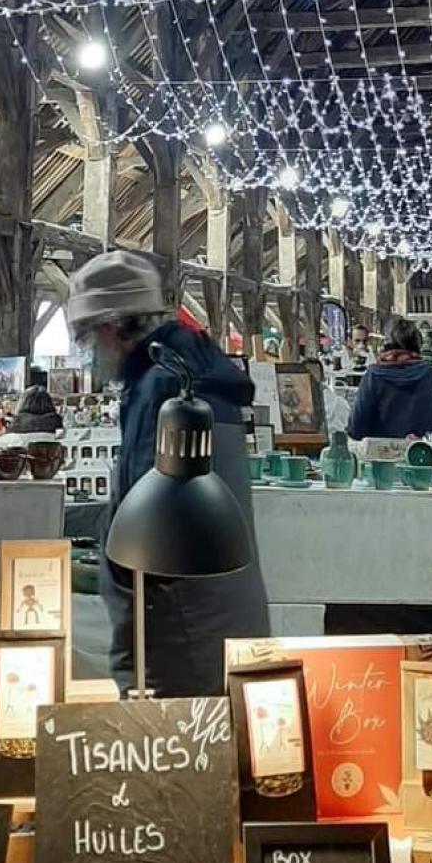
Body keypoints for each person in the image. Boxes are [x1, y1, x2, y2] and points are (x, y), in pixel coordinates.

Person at [66, 249, 268, 698]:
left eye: (88, 339)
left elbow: (149, 523)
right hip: (219, 612)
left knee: (182, 756)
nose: (90, 354)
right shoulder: (197, 373)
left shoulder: (166, 388)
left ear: (113, 326)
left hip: (181, 626)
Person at [347, 319, 432, 441]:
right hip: (424, 456)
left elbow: (356, 429)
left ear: (385, 344)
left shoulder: (373, 377)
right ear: (417, 343)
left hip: (380, 457)